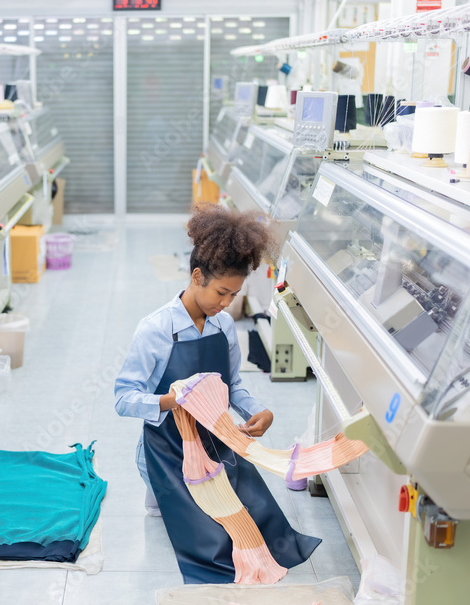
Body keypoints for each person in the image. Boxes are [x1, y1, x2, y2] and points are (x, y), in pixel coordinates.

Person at [114, 204, 320, 584]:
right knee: (216, 547)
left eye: (234, 294)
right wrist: (171, 401)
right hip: (168, 451)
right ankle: (158, 493)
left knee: (261, 523)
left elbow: (233, 385)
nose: (227, 304)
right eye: (222, 293)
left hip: (216, 444)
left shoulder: (223, 326)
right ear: (197, 276)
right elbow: (123, 398)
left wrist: (258, 411)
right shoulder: (156, 330)